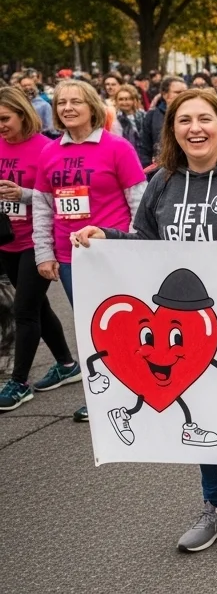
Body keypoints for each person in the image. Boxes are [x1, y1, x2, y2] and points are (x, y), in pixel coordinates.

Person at [70, 87, 217, 551]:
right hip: (181, 328)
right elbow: (146, 241)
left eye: (204, 119)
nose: (195, 128)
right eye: (183, 120)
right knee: (205, 410)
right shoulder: (164, 182)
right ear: (172, 130)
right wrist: (107, 238)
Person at [31, 79, 147, 423]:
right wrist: (44, 253)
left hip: (113, 253)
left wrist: (136, 244)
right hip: (70, 258)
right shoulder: (49, 153)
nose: (67, 108)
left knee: (125, 323)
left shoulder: (117, 147)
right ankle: (104, 395)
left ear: (92, 106)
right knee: (90, 327)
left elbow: (138, 201)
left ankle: (137, 386)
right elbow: (42, 206)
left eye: (75, 101)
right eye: (62, 102)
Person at [0, 88, 77, 413]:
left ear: (23, 114)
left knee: (25, 311)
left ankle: (19, 383)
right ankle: (66, 364)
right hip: (7, 239)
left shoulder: (46, 148)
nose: (1, 126)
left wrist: (25, 194)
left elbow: (55, 193)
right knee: (37, 307)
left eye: (5, 119)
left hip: (37, 240)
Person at [139, 76, 188, 172]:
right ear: (165, 94)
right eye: (178, 92)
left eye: (185, 92)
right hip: (160, 172)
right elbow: (145, 148)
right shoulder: (152, 116)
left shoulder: (194, 115)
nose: (183, 95)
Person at [113, 83, 147, 153]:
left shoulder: (144, 115)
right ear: (116, 101)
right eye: (121, 99)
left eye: (128, 99)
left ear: (134, 100)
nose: (124, 102)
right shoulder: (116, 121)